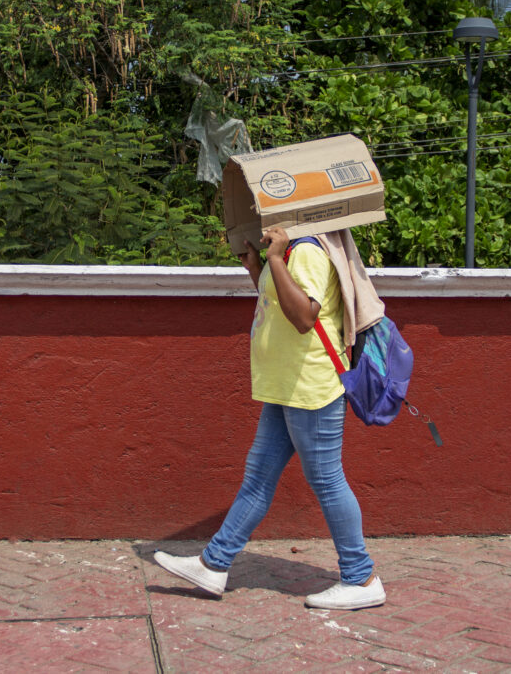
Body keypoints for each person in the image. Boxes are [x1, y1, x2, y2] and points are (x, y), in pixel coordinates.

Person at [154, 226, 385, 611]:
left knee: (327, 480)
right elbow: (280, 302)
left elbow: (304, 317)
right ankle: (214, 564)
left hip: (309, 386)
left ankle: (361, 577)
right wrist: (258, 266)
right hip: (286, 385)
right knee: (258, 477)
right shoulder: (292, 247)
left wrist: (275, 259)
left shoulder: (308, 249)